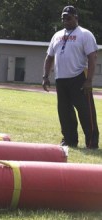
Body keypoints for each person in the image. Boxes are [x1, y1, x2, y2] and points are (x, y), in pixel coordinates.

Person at [42, 5, 99, 149]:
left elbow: (92, 58)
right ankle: (69, 140)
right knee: (65, 112)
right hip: (61, 79)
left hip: (79, 77)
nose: (65, 20)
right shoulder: (57, 35)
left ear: (76, 18)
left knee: (86, 112)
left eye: (68, 17)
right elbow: (49, 57)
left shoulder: (85, 34)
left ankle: (92, 142)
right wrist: (45, 76)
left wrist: (89, 80)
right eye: (63, 18)